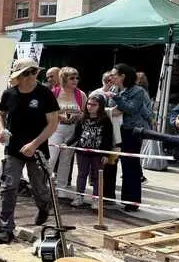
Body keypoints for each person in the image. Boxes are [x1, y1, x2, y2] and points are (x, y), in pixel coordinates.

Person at [0, 58, 59, 244]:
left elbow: (53, 123)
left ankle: (43, 206)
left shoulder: (45, 94)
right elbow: (0, 113)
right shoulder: (9, 94)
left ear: (32, 73)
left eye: (25, 74)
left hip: (37, 150)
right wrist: (1, 129)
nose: (22, 78)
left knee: (38, 187)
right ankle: (6, 228)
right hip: (13, 149)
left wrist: (34, 144)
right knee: (8, 186)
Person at [104, 63, 153, 212]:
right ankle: (113, 196)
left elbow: (131, 108)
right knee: (113, 162)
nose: (111, 77)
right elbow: (114, 107)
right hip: (117, 129)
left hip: (132, 131)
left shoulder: (137, 91)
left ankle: (133, 200)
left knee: (130, 164)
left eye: (114, 74)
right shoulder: (114, 89)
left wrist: (118, 99)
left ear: (123, 76)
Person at [66, 93, 114, 208]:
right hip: (82, 151)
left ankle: (96, 199)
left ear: (100, 106)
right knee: (82, 174)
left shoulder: (105, 120)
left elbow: (108, 138)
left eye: (94, 105)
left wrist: (106, 154)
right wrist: (67, 143)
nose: (90, 106)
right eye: (88, 104)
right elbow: (76, 135)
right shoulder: (82, 118)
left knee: (98, 176)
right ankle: (79, 197)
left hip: (98, 153)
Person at [47, 67, 87, 199]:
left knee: (66, 160)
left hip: (72, 130)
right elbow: (47, 111)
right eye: (72, 78)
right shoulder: (55, 92)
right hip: (56, 128)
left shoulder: (81, 94)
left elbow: (84, 112)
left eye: (77, 78)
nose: (75, 80)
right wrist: (59, 116)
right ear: (64, 79)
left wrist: (78, 116)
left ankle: (62, 187)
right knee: (51, 158)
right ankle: (45, 184)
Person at [90, 71, 122, 206]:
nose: (112, 82)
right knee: (96, 164)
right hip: (97, 132)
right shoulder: (96, 93)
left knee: (111, 164)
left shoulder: (119, 93)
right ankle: (96, 193)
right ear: (105, 81)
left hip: (115, 134)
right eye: (109, 80)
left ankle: (108, 196)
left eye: (113, 79)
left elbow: (120, 110)